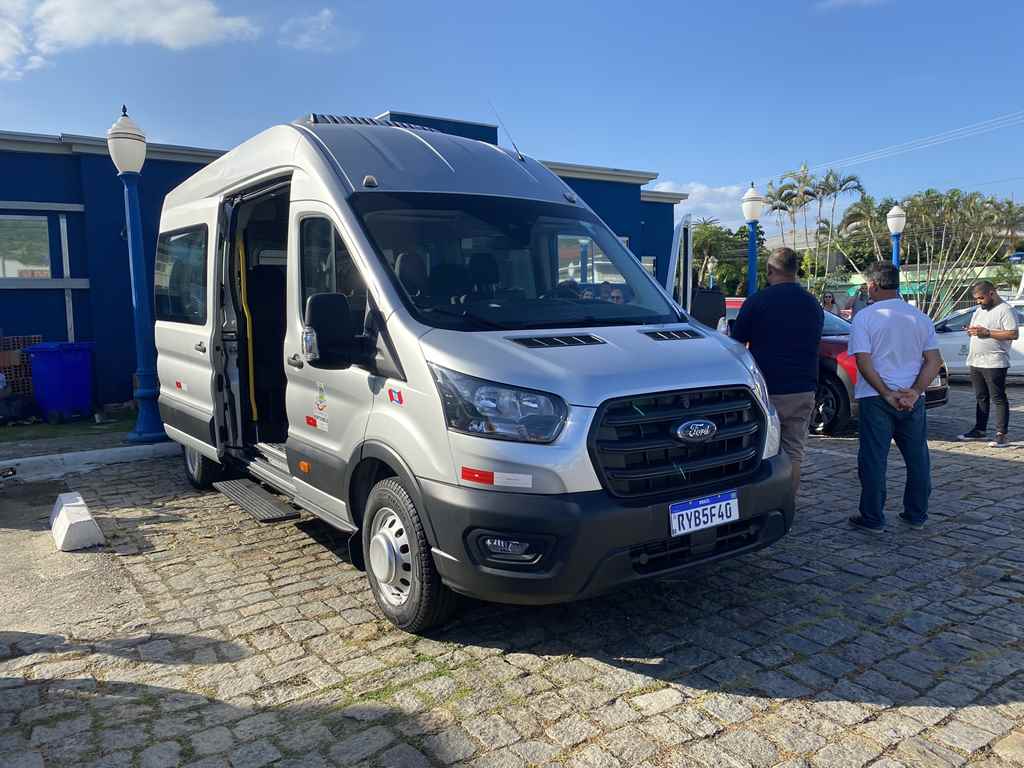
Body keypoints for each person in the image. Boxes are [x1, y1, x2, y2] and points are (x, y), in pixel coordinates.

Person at [847, 262, 943, 532]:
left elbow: (864, 363)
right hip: (912, 398)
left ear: (872, 286)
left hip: (876, 397)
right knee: (917, 458)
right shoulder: (919, 317)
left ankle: (873, 516)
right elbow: (934, 361)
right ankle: (916, 514)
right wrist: (915, 391)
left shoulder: (864, 318)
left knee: (874, 459)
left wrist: (887, 393)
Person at [732, 247, 823, 496]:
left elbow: (737, 344)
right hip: (803, 387)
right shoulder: (813, 303)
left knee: (760, 449)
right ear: (795, 271)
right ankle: (787, 502)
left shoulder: (758, 301)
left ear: (770, 270)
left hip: (766, 389)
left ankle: (760, 501)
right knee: (794, 450)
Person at [957, 280, 1019, 447]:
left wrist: (987, 332)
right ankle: (980, 430)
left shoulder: (1006, 310)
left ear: (992, 293)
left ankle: (1001, 434)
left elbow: (1013, 334)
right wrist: (972, 331)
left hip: (995, 361)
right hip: (976, 360)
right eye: (977, 299)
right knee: (980, 397)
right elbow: (977, 329)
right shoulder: (979, 310)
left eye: (981, 298)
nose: (979, 301)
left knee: (998, 398)